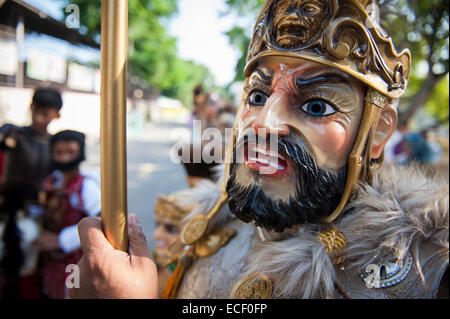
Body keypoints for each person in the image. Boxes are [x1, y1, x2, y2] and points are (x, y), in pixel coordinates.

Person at [69, 0, 448, 299]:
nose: (263, 123)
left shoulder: (426, 274)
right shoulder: (211, 222)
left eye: (316, 105)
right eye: (257, 95)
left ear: (377, 133)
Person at [34, 130, 101, 299]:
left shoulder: (87, 188)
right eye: (59, 152)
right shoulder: (51, 182)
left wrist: (61, 240)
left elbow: (101, 222)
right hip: (48, 261)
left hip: (76, 262)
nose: (64, 158)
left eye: (70, 152)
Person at [0, 87, 63, 194]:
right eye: (36, 111)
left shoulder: (56, 144)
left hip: (40, 204)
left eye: (45, 114)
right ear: (31, 107)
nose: (38, 118)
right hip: (9, 200)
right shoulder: (14, 133)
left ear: (56, 115)